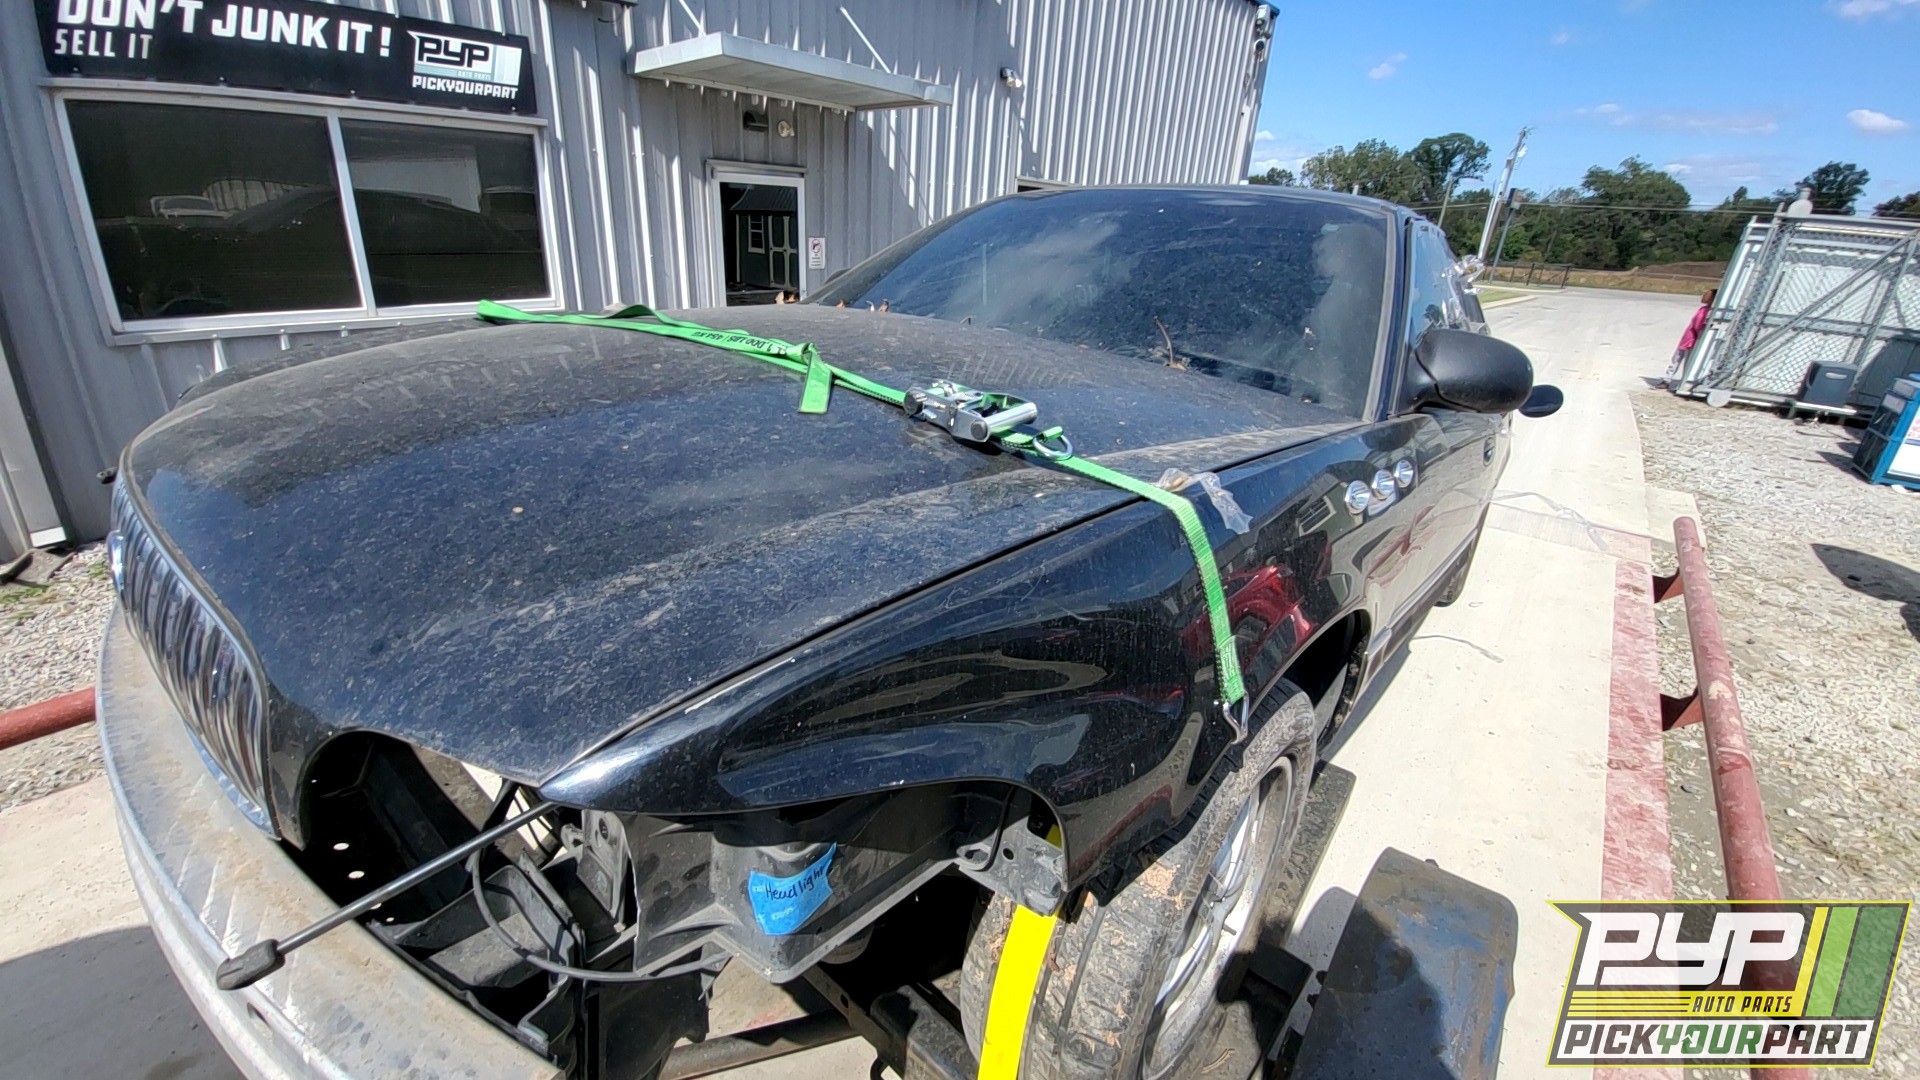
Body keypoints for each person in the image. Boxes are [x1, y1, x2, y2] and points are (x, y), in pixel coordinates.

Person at [1665, 287, 1716, 387]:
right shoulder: (1705, 310)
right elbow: (1697, 324)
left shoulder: (1706, 310)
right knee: (1680, 359)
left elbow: (1697, 324)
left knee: (1682, 360)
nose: (1704, 297)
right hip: (1690, 338)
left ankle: (1677, 381)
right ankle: (1672, 380)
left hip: (1691, 338)